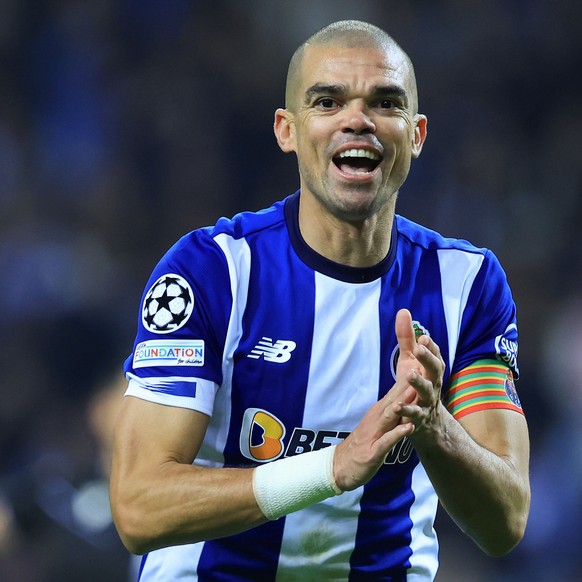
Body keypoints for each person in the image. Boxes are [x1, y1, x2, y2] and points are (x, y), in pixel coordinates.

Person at [110, 20, 530, 581]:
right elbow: (139, 506)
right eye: (328, 102)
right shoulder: (213, 272)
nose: (357, 120)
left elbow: (506, 520)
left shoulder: (466, 285)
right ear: (287, 129)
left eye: (385, 102)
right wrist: (332, 466)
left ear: (417, 134)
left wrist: (434, 423)